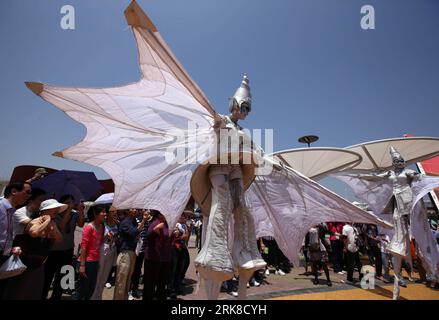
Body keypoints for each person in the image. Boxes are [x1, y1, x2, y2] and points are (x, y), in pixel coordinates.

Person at [193, 74, 266, 300]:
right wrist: (214, 116)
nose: (244, 112)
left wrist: (273, 162)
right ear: (234, 105)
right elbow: (215, 123)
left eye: (248, 109)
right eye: (242, 107)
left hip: (235, 170)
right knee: (222, 204)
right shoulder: (223, 121)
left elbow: (257, 152)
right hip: (219, 168)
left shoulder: (243, 133)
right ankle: (214, 254)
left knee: (243, 208)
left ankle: (244, 251)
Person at [3, 199, 65, 299]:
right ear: (45, 210)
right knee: (19, 290)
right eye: (54, 208)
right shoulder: (36, 220)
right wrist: (47, 221)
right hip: (25, 263)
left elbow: (59, 239)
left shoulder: (53, 224)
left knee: (34, 291)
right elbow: (34, 233)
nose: (57, 210)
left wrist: (53, 227)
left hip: (39, 263)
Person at [42, 194, 85, 300]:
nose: (70, 204)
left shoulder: (74, 214)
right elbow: (61, 226)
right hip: (54, 250)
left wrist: (80, 211)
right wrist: (68, 211)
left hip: (68, 249)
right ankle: (42, 295)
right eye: (67, 202)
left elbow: (81, 224)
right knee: (48, 275)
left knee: (63, 275)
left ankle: (56, 296)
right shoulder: (55, 215)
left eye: (71, 202)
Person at [0, 182, 31, 297]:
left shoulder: (13, 211)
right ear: (14, 191)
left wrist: (11, 248)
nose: (29, 196)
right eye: (27, 192)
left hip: (5, 256)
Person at [113, 208, 147, 300]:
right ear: (127, 211)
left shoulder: (133, 221)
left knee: (127, 280)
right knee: (122, 281)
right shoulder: (126, 222)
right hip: (125, 253)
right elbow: (134, 233)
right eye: (133, 209)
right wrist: (143, 220)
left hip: (132, 252)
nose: (135, 210)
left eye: (136, 209)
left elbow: (137, 235)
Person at [74, 205, 106, 300]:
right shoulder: (89, 227)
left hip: (95, 261)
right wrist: (82, 266)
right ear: (95, 214)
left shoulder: (101, 226)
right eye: (103, 212)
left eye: (105, 212)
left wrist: (106, 238)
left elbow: (98, 243)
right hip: (86, 262)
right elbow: (84, 247)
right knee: (81, 289)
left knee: (90, 289)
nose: (105, 214)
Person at [91, 205, 119, 300]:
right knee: (99, 274)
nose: (114, 213)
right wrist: (106, 237)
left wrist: (114, 238)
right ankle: (93, 296)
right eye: (112, 212)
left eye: (115, 211)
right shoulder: (102, 224)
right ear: (107, 213)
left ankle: (99, 296)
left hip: (112, 249)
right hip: (103, 250)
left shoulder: (117, 223)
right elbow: (96, 240)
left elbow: (118, 238)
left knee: (105, 275)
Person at [143, 209, 172, 300]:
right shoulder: (155, 223)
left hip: (164, 258)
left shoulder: (167, 224)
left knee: (162, 283)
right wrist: (155, 230)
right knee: (150, 284)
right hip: (153, 258)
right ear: (159, 214)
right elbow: (148, 237)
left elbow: (168, 239)